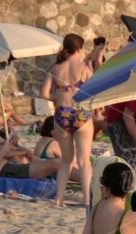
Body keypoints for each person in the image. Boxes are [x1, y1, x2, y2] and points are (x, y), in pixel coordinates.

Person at [41, 33, 94, 206]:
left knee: (66, 160)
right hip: (80, 113)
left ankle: (59, 199)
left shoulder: (56, 67)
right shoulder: (84, 67)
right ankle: (87, 201)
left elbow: (43, 93)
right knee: (84, 161)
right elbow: (94, 90)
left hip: (61, 115)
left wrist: (57, 99)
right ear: (78, 49)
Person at [33, 116, 80, 181]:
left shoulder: (43, 140)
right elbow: (71, 160)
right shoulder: (54, 143)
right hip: (53, 174)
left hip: (44, 170)